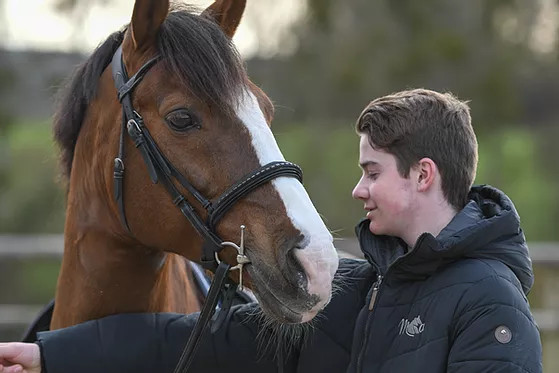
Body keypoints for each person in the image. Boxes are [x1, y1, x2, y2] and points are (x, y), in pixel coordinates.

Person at [0, 89, 542, 373]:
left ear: (423, 174)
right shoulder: (351, 294)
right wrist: (53, 354)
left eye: (371, 173)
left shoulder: (491, 303)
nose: (358, 190)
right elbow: (190, 342)